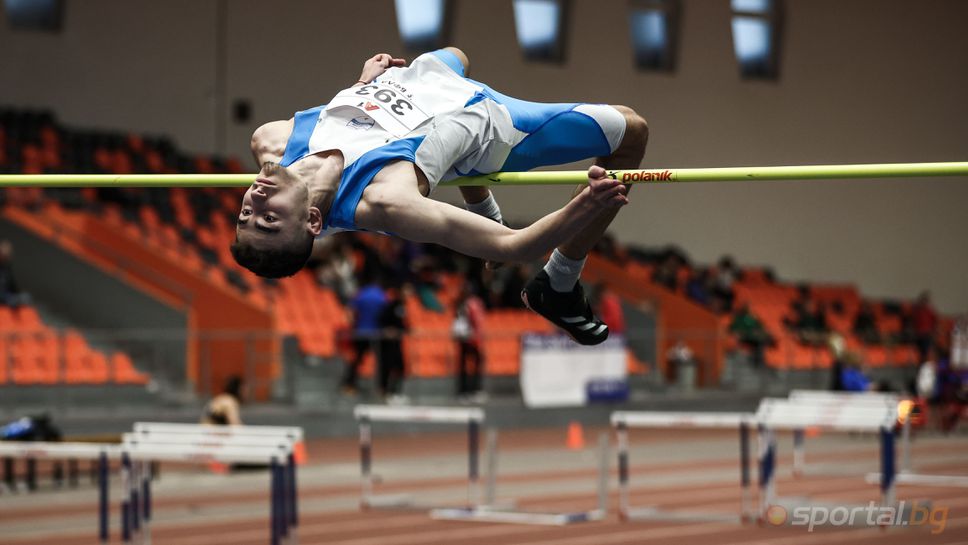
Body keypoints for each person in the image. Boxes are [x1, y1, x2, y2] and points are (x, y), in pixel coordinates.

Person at [231, 47, 648, 345]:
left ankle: (482, 203)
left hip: (420, 80)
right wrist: (584, 207)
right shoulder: (384, 199)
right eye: (269, 219)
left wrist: (360, 85)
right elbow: (513, 246)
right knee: (632, 130)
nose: (254, 204)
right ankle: (559, 282)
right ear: (312, 221)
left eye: (245, 215)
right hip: (489, 117)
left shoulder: (271, 140)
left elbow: (338, 121)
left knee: (458, 54)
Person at [341, 274, 388, 394]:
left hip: (361, 332)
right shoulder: (382, 296)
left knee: (357, 359)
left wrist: (354, 324)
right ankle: (381, 388)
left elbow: (350, 312)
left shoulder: (361, 294)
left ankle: (349, 384)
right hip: (377, 333)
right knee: (381, 361)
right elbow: (386, 315)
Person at [453, 283, 486, 401]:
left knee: (475, 365)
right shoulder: (464, 305)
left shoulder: (473, 303)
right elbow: (460, 321)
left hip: (474, 339)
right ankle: (465, 391)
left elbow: (478, 321)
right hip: (467, 338)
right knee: (465, 366)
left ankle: (474, 390)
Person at [377, 281, 409, 404]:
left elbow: (402, 324)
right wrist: (387, 330)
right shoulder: (392, 305)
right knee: (388, 367)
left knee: (400, 367)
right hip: (388, 343)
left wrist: (405, 329)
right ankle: (387, 392)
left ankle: (395, 392)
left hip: (397, 342)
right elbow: (382, 320)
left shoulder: (403, 305)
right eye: (406, 290)